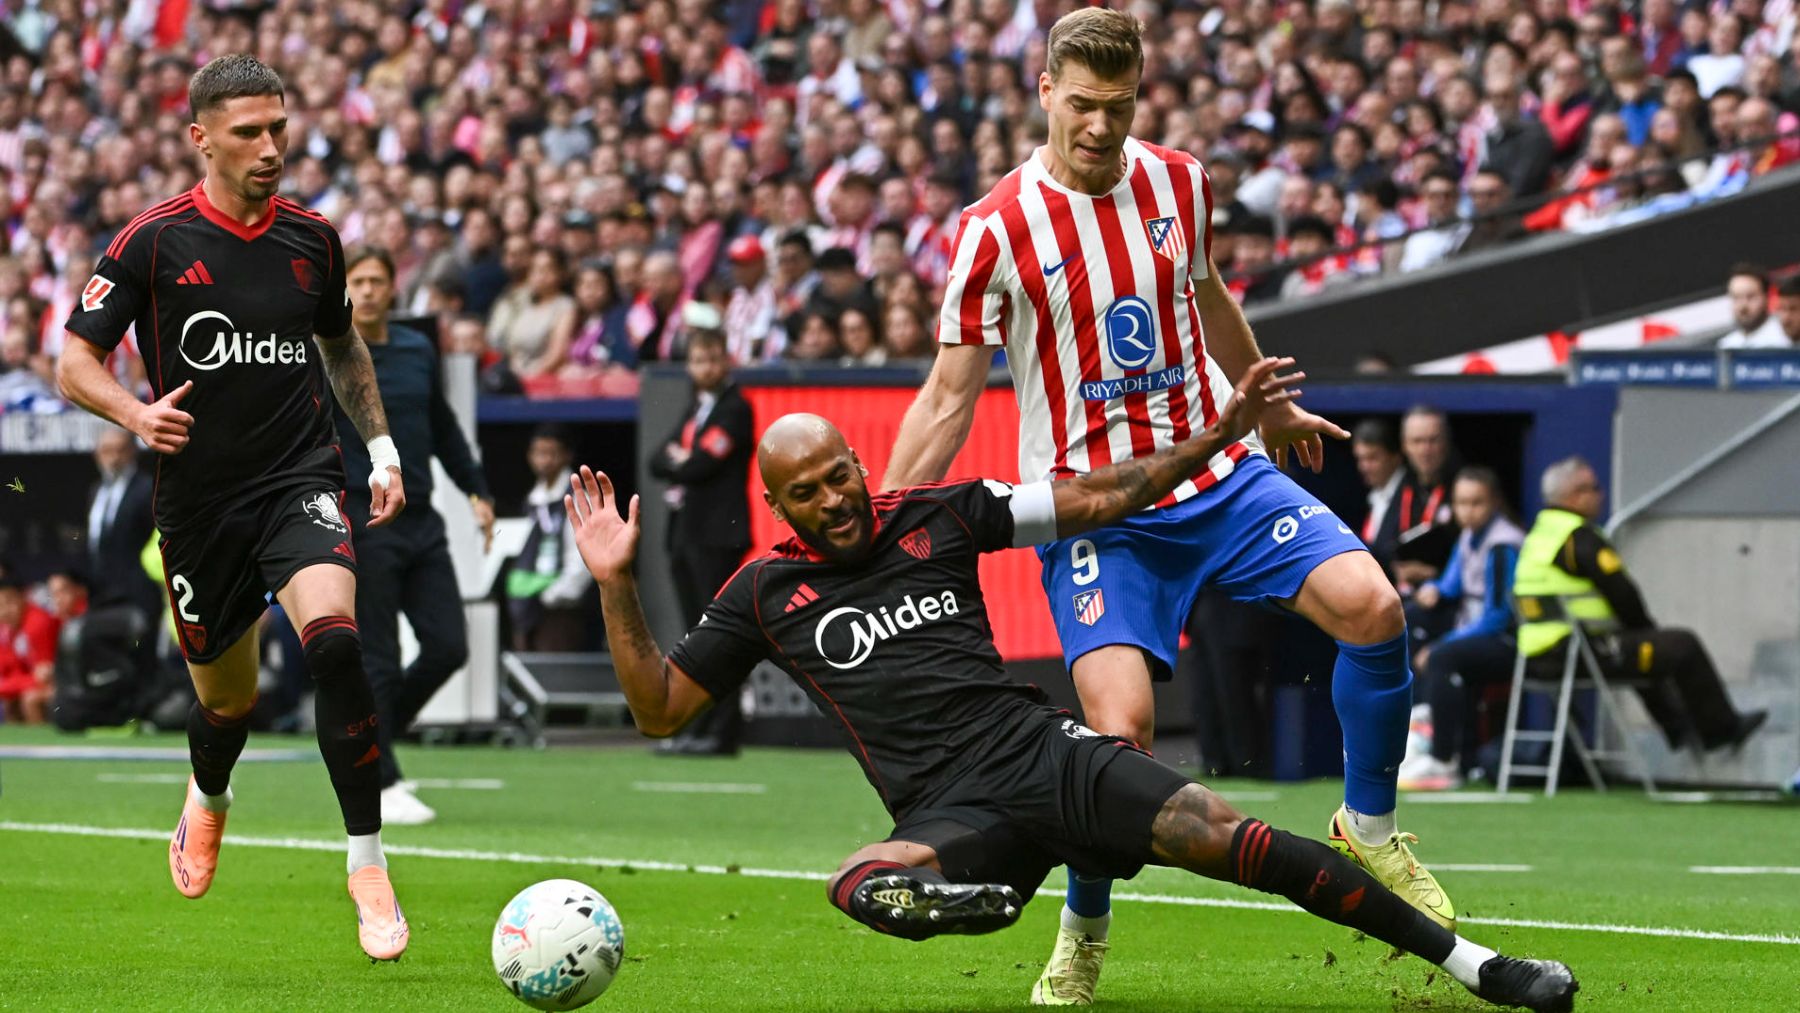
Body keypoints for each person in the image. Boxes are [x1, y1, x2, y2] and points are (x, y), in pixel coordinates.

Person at [562, 377, 1579, 1013]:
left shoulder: (947, 513)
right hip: (945, 812)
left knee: (1232, 834)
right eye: (810, 491)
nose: (836, 499)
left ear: (859, 463)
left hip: (1041, 750)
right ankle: (972, 906)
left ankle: (1475, 964)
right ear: (773, 502)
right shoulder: (763, 593)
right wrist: (616, 579)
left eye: (842, 475)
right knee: (858, 881)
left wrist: (1216, 435)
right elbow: (659, 706)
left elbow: (1105, 495)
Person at [880, 10, 1449, 1005]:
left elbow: (1206, 291)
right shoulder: (993, 230)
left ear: (1142, 93)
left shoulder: (1181, 182)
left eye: (1121, 105)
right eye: (1083, 106)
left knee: (1375, 608)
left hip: (1219, 473)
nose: (1100, 127)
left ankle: (1369, 824)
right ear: (1045, 90)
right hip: (1095, 510)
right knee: (1120, 738)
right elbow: (949, 393)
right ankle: (1085, 928)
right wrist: (885, 517)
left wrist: (1261, 402)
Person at [55, 55, 409, 960]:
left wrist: (381, 448)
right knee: (228, 705)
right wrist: (135, 412)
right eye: (248, 132)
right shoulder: (152, 241)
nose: (269, 148)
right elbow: (74, 360)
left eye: (279, 129)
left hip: (300, 478)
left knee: (334, 643)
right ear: (200, 138)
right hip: (201, 508)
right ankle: (209, 796)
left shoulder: (314, 240)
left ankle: (366, 862)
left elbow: (343, 347)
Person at [336, 245, 497, 827]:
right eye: (361, 280)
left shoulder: (416, 350)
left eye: (380, 279)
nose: (372, 290)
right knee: (377, 656)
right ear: (345, 288)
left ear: (394, 288)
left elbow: (444, 429)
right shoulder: (326, 353)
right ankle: (382, 779)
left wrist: (477, 491)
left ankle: (367, 744)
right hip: (363, 514)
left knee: (449, 645)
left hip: (422, 517)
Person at [1513, 458, 1767, 753]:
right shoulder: (1578, 538)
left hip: (1536, 656)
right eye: (1594, 488)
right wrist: (1646, 629)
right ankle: (1721, 732)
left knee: (1644, 649)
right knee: (1680, 645)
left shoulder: (1539, 536)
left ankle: (1679, 732)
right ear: (1575, 494)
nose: (1600, 495)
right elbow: (1622, 593)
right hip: (1575, 653)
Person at [648, 327, 754, 756]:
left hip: (717, 535)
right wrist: (682, 460)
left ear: (726, 360)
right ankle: (701, 726)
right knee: (697, 636)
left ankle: (723, 732)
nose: (705, 367)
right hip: (687, 533)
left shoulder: (735, 409)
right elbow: (656, 458)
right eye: (697, 359)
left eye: (712, 358)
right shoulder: (699, 407)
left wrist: (682, 459)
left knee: (718, 637)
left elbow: (699, 466)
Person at [1398, 468, 1526, 791]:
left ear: (1494, 503)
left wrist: (1444, 643)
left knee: (1441, 657)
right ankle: (1422, 722)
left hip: (1506, 641)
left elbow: (1497, 616)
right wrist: (1434, 589)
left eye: (1477, 503)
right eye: (1461, 503)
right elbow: (1452, 584)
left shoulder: (1502, 546)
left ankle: (1443, 759)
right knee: (1413, 616)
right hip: (1473, 633)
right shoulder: (1468, 537)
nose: (1468, 511)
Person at [504, 425, 591, 652]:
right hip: (528, 607)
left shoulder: (578, 497)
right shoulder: (533, 499)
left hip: (561, 610)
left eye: (551, 453)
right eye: (538, 453)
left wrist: (553, 595)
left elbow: (583, 559)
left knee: (556, 677)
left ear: (566, 455)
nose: (544, 461)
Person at [1393, 405, 1460, 592]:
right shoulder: (1397, 486)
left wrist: (1434, 574)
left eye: (1433, 440)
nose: (1426, 449)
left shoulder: (1464, 487)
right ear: (1404, 446)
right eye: (1417, 441)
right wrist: (1396, 569)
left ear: (1446, 443)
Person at [0, 576, 58, 724]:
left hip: (60, 680)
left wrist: (5, 686)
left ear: (24, 597)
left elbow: (44, 676)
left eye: (9, 602)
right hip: (32, 680)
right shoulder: (7, 629)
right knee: (9, 701)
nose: (4, 611)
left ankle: (42, 744)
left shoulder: (38, 624)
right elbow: (8, 667)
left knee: (30, 698)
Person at [1352, 419, 1406, 576]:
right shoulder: (1374, 495)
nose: (1364, 467)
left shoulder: (1412, 492)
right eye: (1360, 459)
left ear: (1395, 456)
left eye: (1372, 458)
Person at [1717, 264, 1786, 348]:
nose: (1743, 306)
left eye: (1750, 297)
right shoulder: (1726, 346)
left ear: (1767, 297)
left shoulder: (1786, 342)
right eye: (1736, 297)